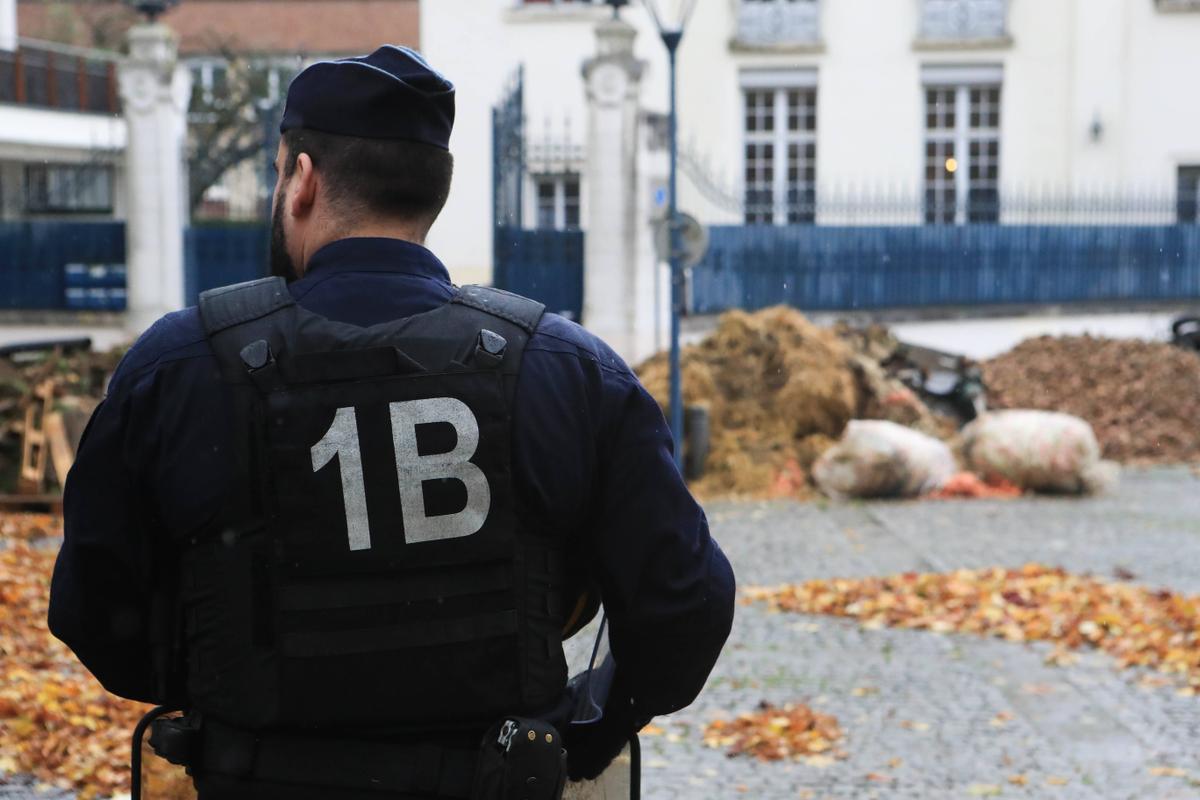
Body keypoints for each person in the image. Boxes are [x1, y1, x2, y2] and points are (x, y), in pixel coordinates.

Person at [48, 45, 734, 799]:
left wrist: (225, 690)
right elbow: (686, 607)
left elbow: (94, 608)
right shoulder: (568, 371)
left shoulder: (176, 368)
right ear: (430, 194)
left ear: (301, 179)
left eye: (281, 174)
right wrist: (583, 733)